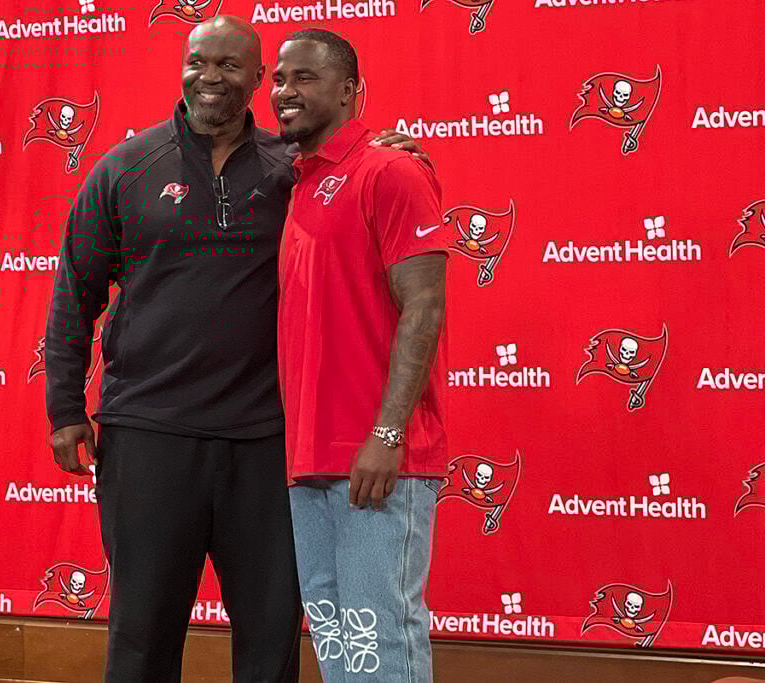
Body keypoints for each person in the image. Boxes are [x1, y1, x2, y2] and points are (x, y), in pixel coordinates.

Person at [44, 16, 428, 683]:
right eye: (198, 62)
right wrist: (63, 406)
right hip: (147, 435)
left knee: (271, 632)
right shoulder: (125, 168)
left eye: (229, 65)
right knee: (140, 632)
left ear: (258, 81)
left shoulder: (293, 170)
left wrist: (393, 150)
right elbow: (74, 288)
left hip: (266, 442)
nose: (209, 76)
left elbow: (364, 175)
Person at [272, 29, 448, 682]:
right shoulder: (293, 184)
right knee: (342, 648)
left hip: (380, 459)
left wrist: (387, 431)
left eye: (305, 78)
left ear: (350, 91)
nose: (285, 91)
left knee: (384, 645)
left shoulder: (391, 170)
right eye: (280, 79)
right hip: (307, 459)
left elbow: (424, 304)